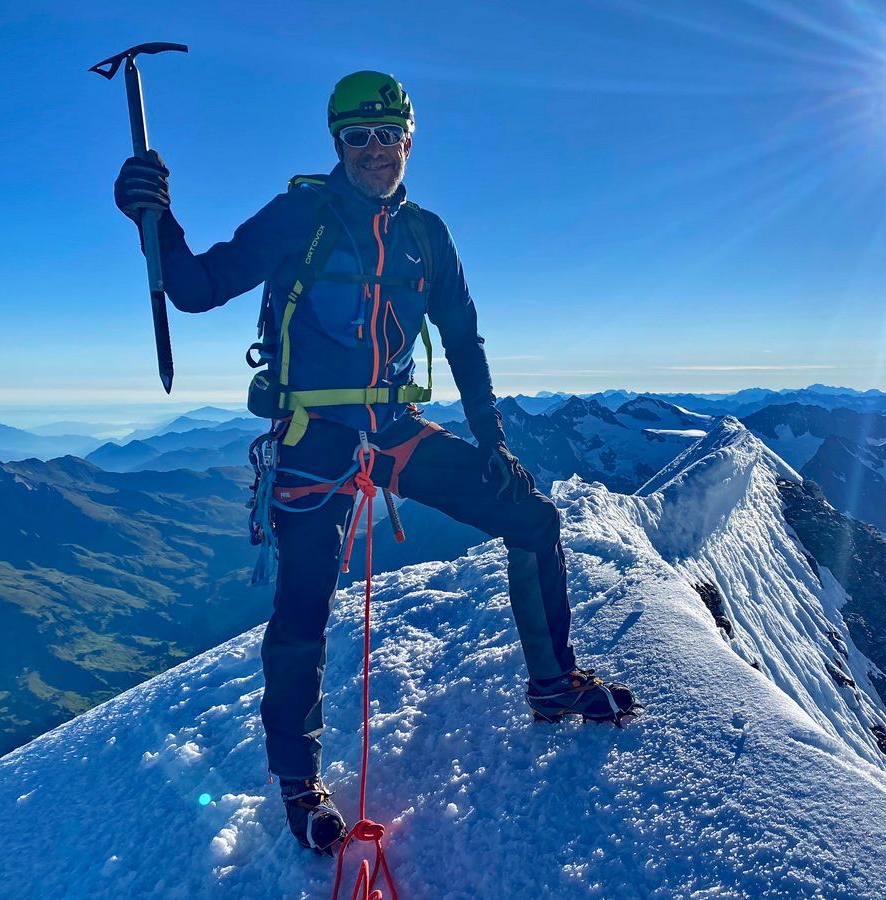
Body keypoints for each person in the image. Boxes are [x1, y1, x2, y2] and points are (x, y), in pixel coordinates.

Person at [114, 71, 640, 854]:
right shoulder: (303, 214)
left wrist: (495, 443)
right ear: (337, 144)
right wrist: (152, 215)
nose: (375, 151)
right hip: (311, 435)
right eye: (358, 137)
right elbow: (197, 287)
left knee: (533, 519)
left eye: (388, 134)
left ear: (408, 139)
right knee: (302, 610)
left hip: (392, 426)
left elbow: (463, 337)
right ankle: (298, 782)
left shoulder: (429, 234)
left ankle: (553, 684)